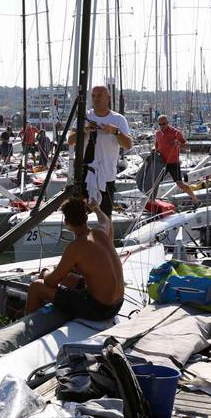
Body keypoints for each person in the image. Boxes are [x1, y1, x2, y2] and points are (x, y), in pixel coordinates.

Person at [25, 198, 124, 320]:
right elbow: (105, 220)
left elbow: (51, 282)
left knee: (36, 286)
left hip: (100, 309)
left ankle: (27, 330)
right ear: (86, 218)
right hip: (118, 304)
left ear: (66, 222)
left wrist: (45, 273)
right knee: (68, 278)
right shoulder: (101, 232)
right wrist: (96, 208)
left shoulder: (75, 247)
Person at [68, 85, 132, 217]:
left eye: (99, 95)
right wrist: (85, 130)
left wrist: (115, 132)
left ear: (108, 98)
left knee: (105, 216)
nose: (96, 98)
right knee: (80, 216)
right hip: (84, 175)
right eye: (93, 95)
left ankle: (106, 238)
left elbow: (128, 145)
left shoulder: (118, 119)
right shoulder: (84, 117)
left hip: (107, 175)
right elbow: (70, 140)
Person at [154, 115, 198, 204]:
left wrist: (178, 144)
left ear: (168, 122)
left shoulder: (176, 133)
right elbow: (156, 147)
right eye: (160, 124)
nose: (162, 126)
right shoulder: (157, 134)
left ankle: (195, 200)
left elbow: (186, 146)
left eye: (164, 124)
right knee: (154, 182)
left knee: (180, 184)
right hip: (162, 163)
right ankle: (153, 201)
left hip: (173, 163)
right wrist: (154, 151)